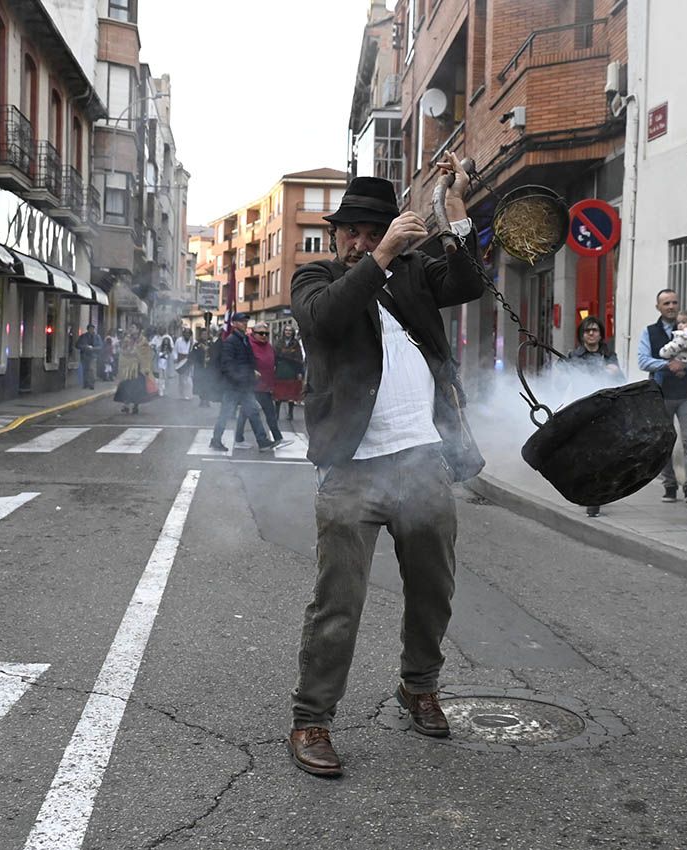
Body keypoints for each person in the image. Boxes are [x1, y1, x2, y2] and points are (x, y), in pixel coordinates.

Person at [287, 155, 485, 777]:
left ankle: (418, 685)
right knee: (337, 601)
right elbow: (325, 321)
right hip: (352, 469)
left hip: (421, 461)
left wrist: (452, 208)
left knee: (434, 588)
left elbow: (469, 282)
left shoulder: (412, 273)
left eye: (373, 232)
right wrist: (378, 260)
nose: (360, 241)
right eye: (352, 231)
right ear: (340, 233)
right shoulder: (316, 278)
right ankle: (312, 720)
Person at [637, 289, 687, 503]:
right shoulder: (649, 332)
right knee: (663, 440)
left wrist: (686, 366)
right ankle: (669, 484)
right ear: (658, 307)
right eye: (666, 303)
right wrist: (668, 365)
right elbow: (643, 361)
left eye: (675, 302)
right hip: (661, 394)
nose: (672, 306)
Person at [565, 315, 623, 517]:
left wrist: (615, 372)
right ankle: (587, 491)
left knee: (602, 454)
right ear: (582, 335)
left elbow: (621, 383)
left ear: (600, 334)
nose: (591, 334)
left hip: (604, 410)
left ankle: (595, 497)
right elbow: (561, 382)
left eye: (595, 330)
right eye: (587, 330)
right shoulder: (574, 356)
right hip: (581, 409)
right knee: (584, 455)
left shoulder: (609, 356)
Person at [209, 312, 278, 452]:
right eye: (241, 321)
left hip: (244, 385)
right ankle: (216, 440)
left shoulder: (244, 339)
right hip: (233, 386)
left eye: (246, 321)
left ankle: (262, 441)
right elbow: (227, 365)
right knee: (226, 413)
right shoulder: (231, 341)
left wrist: (252, 371)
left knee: (253, 411)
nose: (245, 323)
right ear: (234, 324)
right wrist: (240, 377)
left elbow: (248, 360)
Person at [234, 322, 287, 448]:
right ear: (253, 333)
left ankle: (240, 438)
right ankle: (273, 438)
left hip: (266, 385)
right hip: (252, 385)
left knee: (255, 413)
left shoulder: (268, 346)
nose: (264, 335)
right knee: (258, 413)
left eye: (266, 333)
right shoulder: (248, 345)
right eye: (261, 333)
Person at [113, 324, 155, 414]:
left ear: (138, 329)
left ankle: (136, 405)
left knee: (138, 388)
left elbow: (147, 354)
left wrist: (138, 354)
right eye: (130, 327)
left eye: (133, 327)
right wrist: (129, 352)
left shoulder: (143, 340)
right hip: (128, 368)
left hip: (139, 368)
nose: (131, 329)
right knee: (126, 386)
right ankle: (126, 405)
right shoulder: (127, 339)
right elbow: (123, 351)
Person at [273, 325, 306, 420]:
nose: (288, 332)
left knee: (291, 393)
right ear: (283, 331)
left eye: (290, 331)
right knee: (278, 393)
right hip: (280, 369)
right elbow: (274, 355)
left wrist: (300, 372)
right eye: (286, 330)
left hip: (292, 369)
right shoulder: (278, 342)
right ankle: (276, 413)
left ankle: (290, 413)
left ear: (292, 332)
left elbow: (299, 358)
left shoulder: (295, 344)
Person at [191, 328, 219, 407]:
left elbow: (215, 354)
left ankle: (207, 400)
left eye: (206, 334)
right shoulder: (197, 345)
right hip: (200, 368)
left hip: (208, 368)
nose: (204, 336)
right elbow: (194, 354)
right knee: (201, 384)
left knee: (208, 384)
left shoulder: (211, 344)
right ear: (201, 335)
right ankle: (202, 399)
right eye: (203, 334)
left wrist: (209, 357)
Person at [75, 324, 102, 390]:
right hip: (84, 355)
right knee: (85, 370)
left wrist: (93, 349)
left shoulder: (97, 337)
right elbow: (77, 345)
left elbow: (100, 346)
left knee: (91, 369)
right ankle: (86, 383)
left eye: (92, 329)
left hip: (93, 355)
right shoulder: (83, 336)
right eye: (90, 329)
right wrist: (85, 347)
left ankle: (91, 384)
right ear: (88, 329)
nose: (91, 330)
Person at [174, 327, 194, 401]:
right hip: (180, 361)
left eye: (188, 334)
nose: (187, 335)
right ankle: (181, 394)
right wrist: (175, 358)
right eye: (185, 333)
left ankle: (188, 394)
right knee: (181, 379)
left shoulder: (193, 341)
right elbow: (175, 350)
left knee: (188, 378)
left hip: (189, 360)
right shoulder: (178, 341)